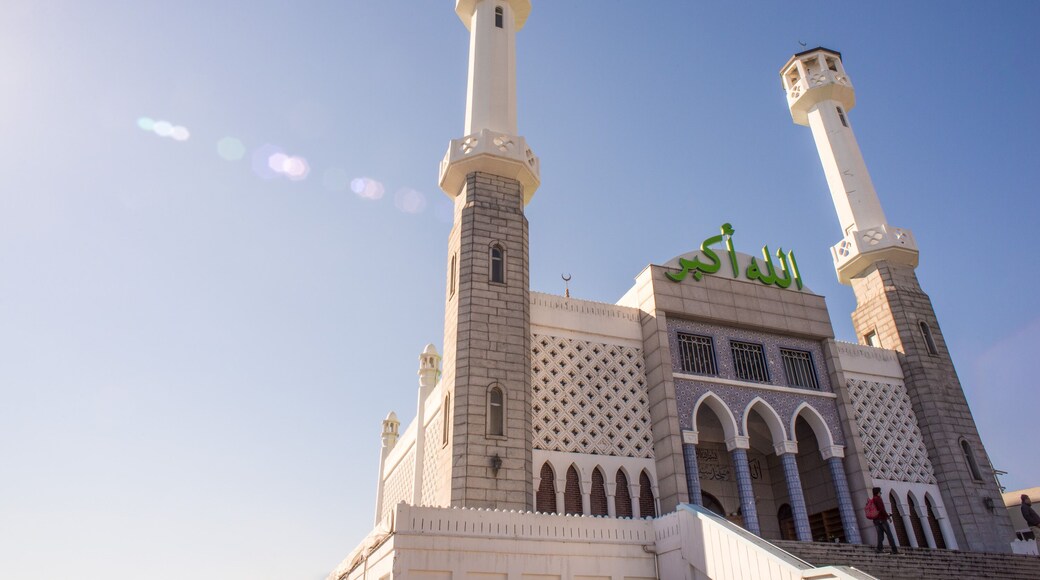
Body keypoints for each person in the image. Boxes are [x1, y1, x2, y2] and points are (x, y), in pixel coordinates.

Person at [869, 488, 899, 554]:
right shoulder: (878, 499)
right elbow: (881, 509)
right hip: (882, 519)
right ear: (878, 493)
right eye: (880, 492)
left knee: (880, 535)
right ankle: (894, 549)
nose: (880, 493)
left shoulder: (873, 500)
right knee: (889, 535)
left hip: (876, 520)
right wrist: (887, 517)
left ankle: (879, 548)